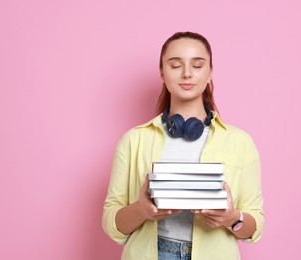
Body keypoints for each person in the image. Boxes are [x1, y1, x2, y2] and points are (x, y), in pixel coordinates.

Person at [102, 31, 264, 260]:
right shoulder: (133, 141)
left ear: (210, 73)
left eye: (197, 65)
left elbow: (255, 226)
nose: (187, 73)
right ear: (162, 72)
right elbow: (111, 224)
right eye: (175, 65)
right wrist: (141, 210)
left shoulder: (240, 142)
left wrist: (231, 218)